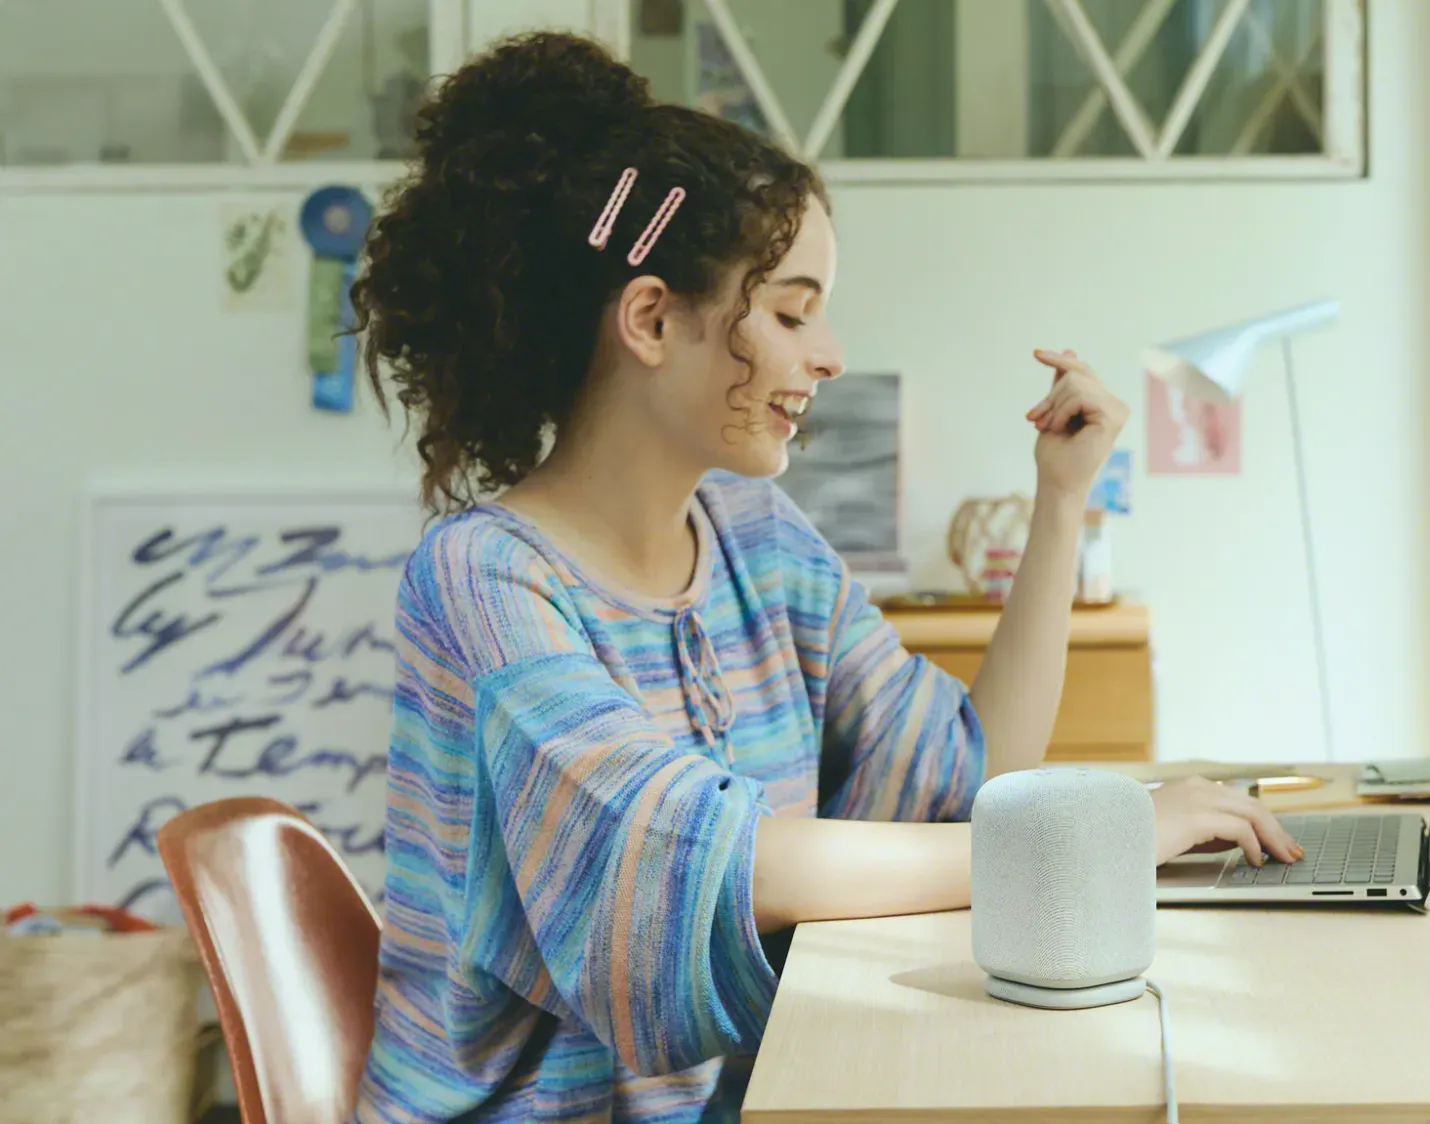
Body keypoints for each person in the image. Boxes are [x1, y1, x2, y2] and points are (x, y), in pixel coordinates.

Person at [347, 31, 1302, 1123]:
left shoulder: (758, 538)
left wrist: (1059, 504)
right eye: (793, 312)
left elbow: (965, 774)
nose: (829, 352)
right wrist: (1110, 831)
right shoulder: (483, 581)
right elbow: (705, 861)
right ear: (653, 318)